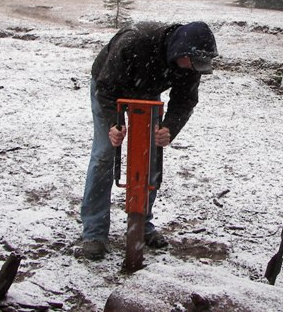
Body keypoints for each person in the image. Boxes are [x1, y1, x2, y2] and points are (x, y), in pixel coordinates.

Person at [81, 21, 218, 260]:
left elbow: (185, 100)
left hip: (146, 90)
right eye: (193, 62)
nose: (195, 68)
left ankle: (141, 224)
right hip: (108, 87)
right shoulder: (135, 42)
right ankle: (94, 232)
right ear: (180, 50)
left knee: (150, 157)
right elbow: (105, 88)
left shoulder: (190, 64)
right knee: (104, 153)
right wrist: (114, 123)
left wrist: (169, 129)